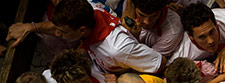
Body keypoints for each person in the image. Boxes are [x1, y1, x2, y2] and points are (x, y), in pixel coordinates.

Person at [8, 0, 166, 74]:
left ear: (82, 30)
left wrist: (121, 77)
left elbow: (160, 64)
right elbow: (61, 25)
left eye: (62, 33)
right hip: (101, 63)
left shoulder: (117, 49)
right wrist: (31, 27)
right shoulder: (88, 8)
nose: (57, 34)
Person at [172, 4, 225, 72]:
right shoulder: (183, 52)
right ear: (190, 36)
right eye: (202, 37)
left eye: (212, 32)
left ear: (216, 23)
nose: (210, 41)